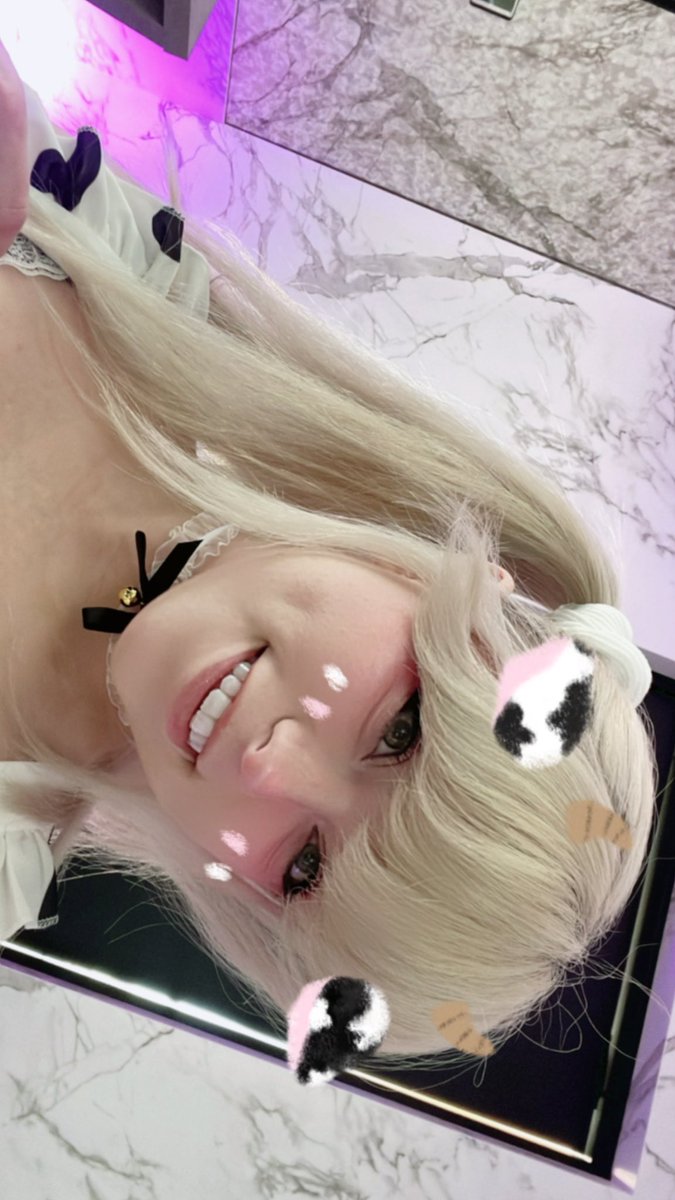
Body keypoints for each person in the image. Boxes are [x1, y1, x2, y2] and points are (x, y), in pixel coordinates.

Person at [0, 41, 659, 1067]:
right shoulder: (132, 274)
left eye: (304, 868)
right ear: (466, 588)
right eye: (398, 729)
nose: (272, 767)